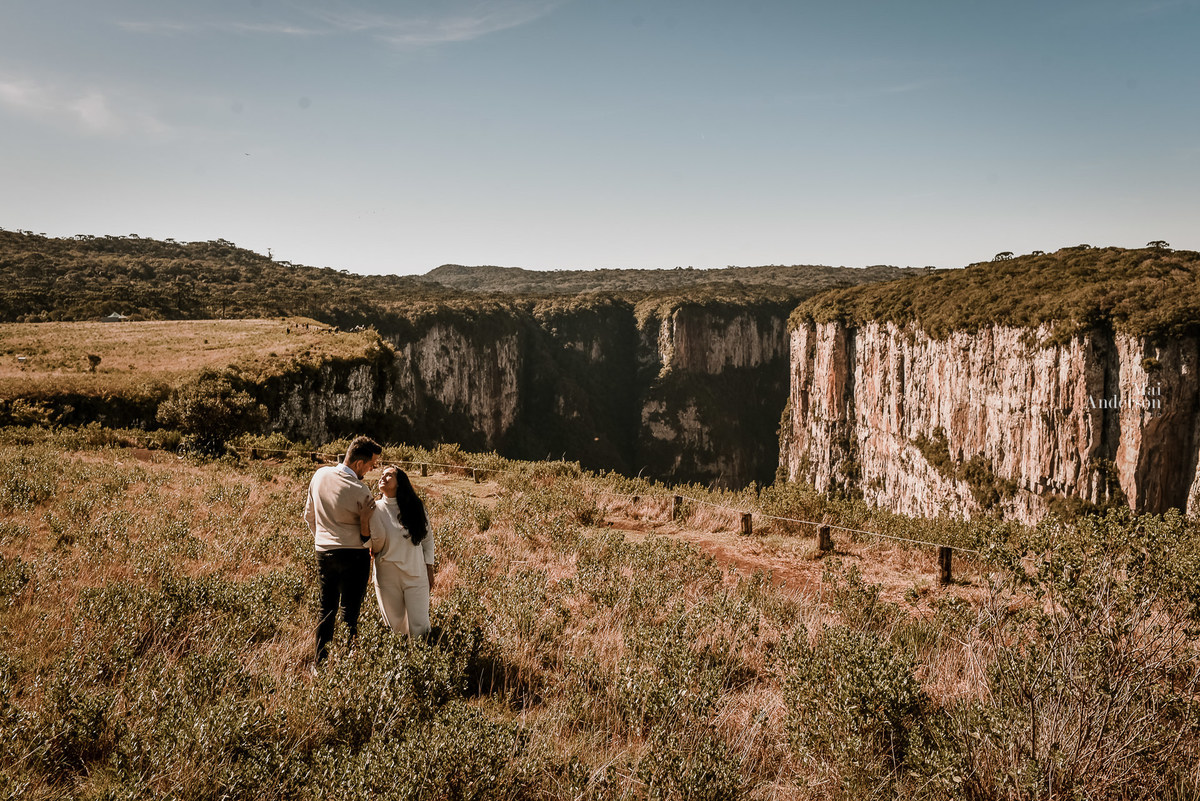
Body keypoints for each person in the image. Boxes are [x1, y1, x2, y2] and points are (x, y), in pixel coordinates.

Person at [304, 435, 382, 665]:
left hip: (324, 551)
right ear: (358, 464)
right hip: (354, 555)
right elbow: (372, 534)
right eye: (371, 465)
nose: (372, 469)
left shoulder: (319, 475)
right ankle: (349, 665)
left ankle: (319, 663)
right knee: (350, 611)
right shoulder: (361, 491)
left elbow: (308, 515)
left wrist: (323, 539)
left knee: (325, 608)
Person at [366, 465, 435, 638]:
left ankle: (424, 660)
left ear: (399, 483)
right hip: (387, 576)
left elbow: (427, 540)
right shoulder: (374, 509)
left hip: (416, 574)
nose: (383, 477)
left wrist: (430, 568)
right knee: (395, 627)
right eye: (382, 474)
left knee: (420, 625)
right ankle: (402, 661)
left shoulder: (416, 507)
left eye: (389, 475)